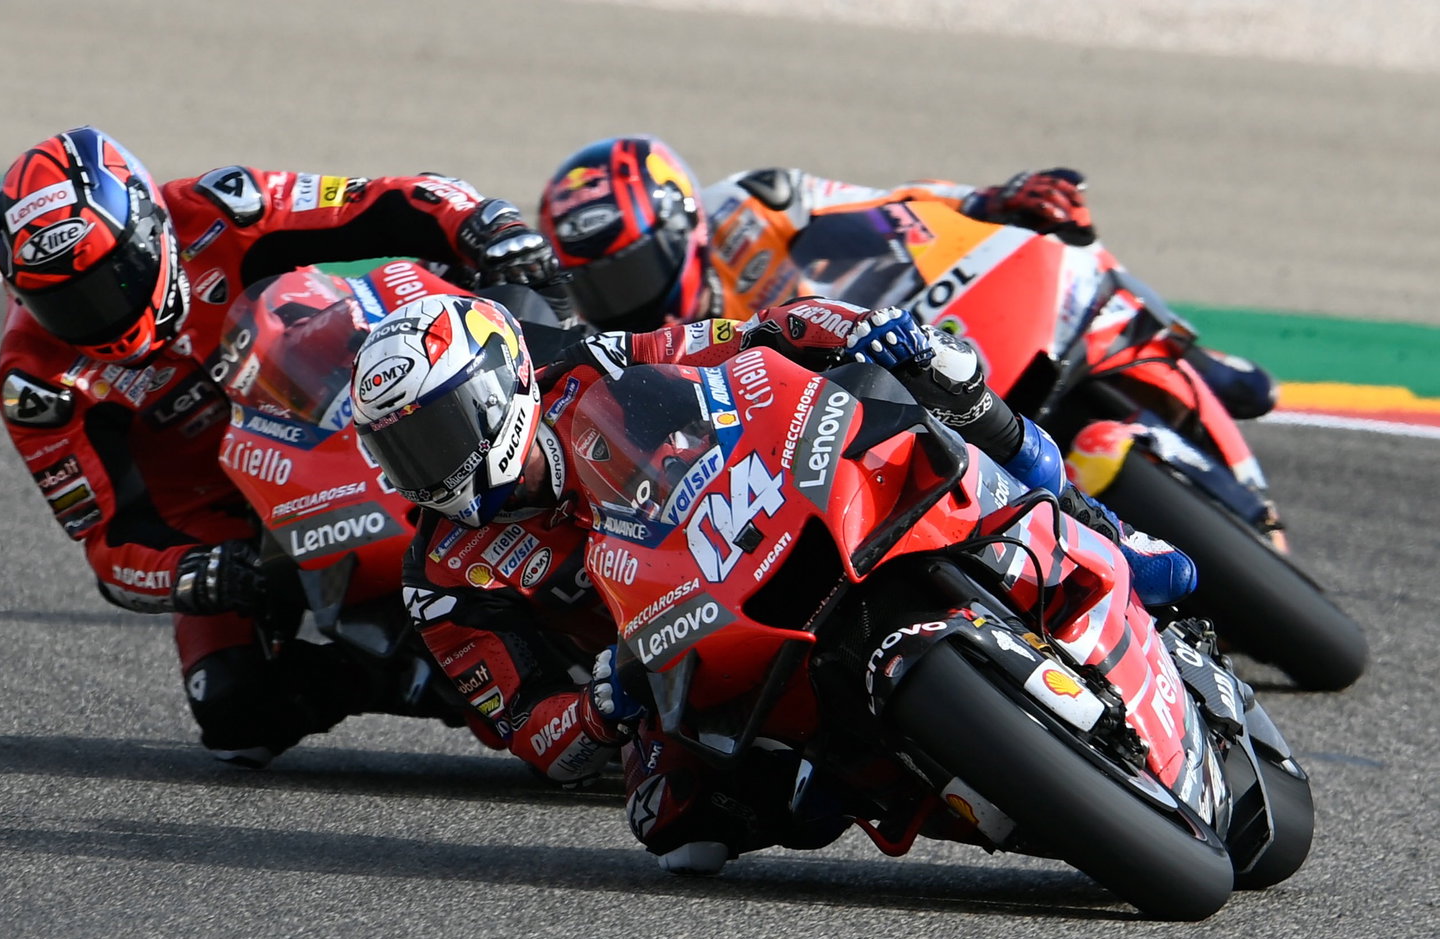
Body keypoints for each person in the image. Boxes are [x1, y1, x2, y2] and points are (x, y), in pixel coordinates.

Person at [350, 287, 1195, 873]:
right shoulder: (444, 578)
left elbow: (753, 335)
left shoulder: (594, 367)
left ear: (498, 388)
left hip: (758, 520)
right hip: (674, 661)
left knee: (930, 380)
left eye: (438, 433)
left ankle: (1105, 532)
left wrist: (862, 328)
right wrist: (601, 705)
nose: (432, 468)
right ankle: (910, 780)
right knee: (671, 823)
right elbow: (532, 732)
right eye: (405, 453)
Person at [0, 125, 564, 768]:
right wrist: (192, 571)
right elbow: (109, 544)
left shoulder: (221, 209)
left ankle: (610, 433)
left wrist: (484, 224)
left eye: (113, 280)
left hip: (337, 392)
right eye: (64, 303)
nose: (100, 314)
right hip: (230, 524)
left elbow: (379, 201)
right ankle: (406, 672)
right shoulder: (36, 385)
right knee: (235, 712)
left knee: (520, 286)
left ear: (151, 232)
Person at [537, 135, 1277, 421]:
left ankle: (1194, 356)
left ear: (682, 225)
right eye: (598, 286)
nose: (623, 298)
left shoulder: (749, 206)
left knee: (1053, 230)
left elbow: (892, 208)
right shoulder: (633, 358)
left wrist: (989, 202)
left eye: (630, 269)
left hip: (892, 331)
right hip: (831, 427)